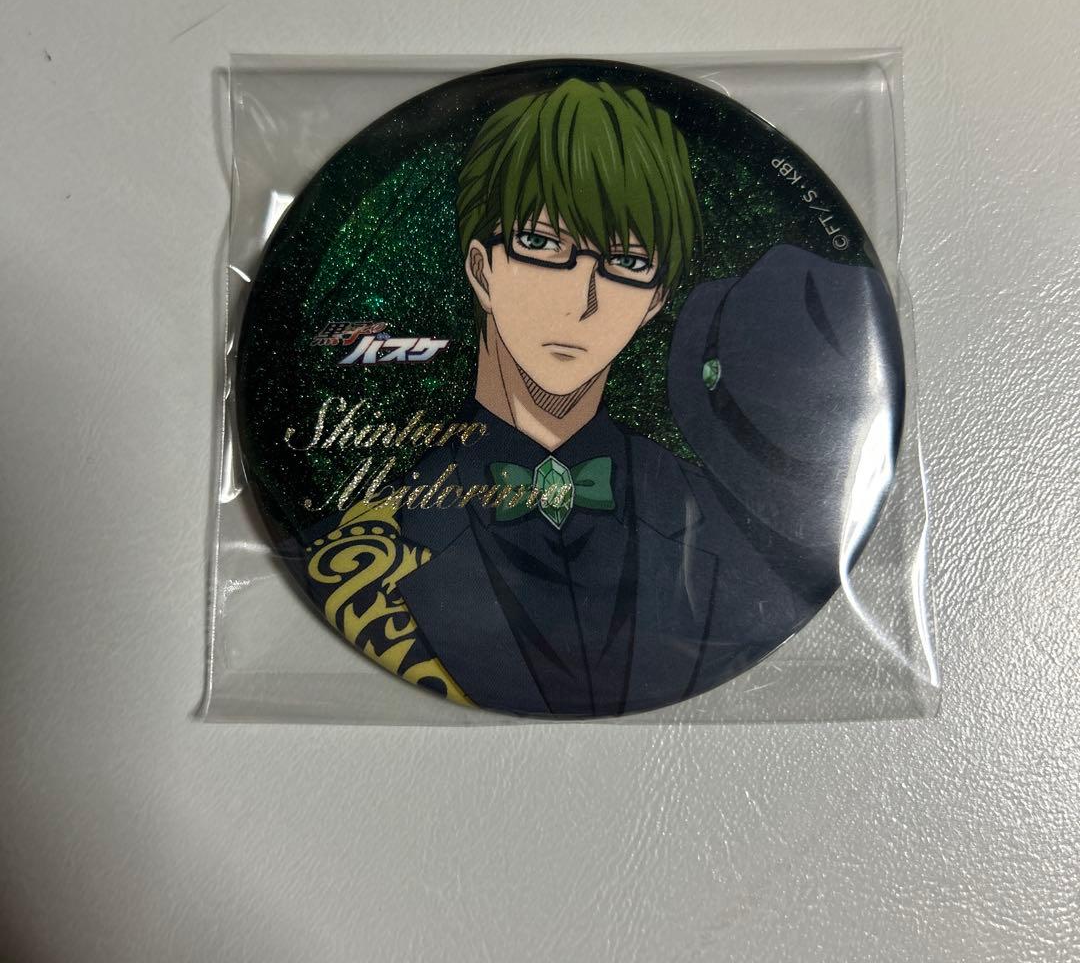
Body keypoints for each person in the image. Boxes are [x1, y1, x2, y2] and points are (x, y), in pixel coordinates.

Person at [292, 79, 903, 717]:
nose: (581, 302)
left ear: (655, 301)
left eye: (626, 263)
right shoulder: (361, 552)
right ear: (481, 269)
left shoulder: (732, 536)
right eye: (541, 244)